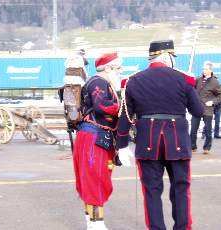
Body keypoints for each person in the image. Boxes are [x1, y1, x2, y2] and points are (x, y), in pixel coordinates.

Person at [116, 40, 204, 230]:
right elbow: (198, 110)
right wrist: (192, 87)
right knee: (181, 188)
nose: (174, 61)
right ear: (167, 57)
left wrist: (121, 144)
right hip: (178, 140)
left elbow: (125, 116)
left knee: (152, 191)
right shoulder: (184, 79)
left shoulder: (133, 80)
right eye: (173, 57)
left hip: (148, 140)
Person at [72, 52, 122, 230]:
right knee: (96, 179)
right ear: (108, 68)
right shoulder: (99, 82)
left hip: (94, 136)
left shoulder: (97, 81)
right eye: (118, 68)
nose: (120, 71)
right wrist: (124, 108)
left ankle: (91, 221)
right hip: (94, 137)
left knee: (92, 178)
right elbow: (102, 107)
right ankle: (96, 224)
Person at [190, 62, 221, 154]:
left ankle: (207, 148)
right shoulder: (198, 80)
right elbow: (191, 89)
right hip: (197, 108)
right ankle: (192, 146)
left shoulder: (215, 82)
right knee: (193, 129)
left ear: (210, 70)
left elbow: (220, 96)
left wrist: (212, 102)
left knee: (208, 130)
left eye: (206, 69)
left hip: (208, 109)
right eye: (203, 69)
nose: (204, 71)